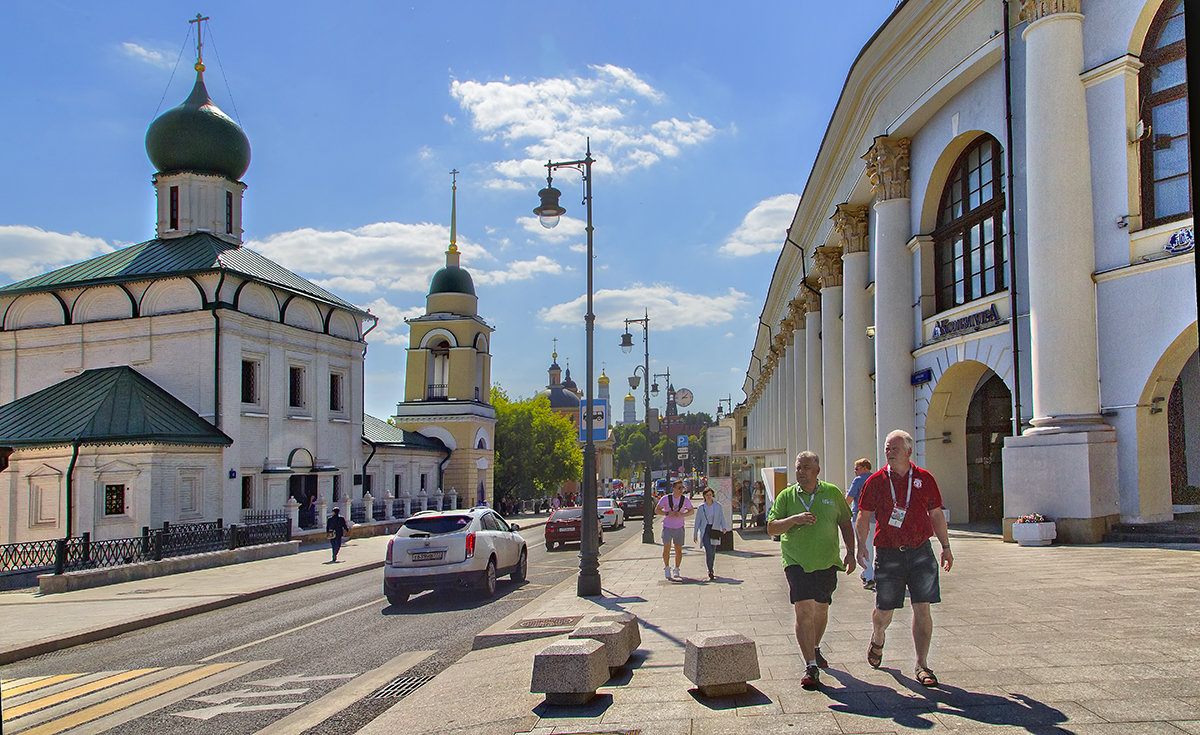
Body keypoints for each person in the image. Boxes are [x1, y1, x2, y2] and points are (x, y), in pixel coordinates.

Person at [855, 429, 953, 688]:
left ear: (909, 451)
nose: (889, 451)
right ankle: (877, 637)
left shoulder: (924, 478)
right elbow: (863, 516)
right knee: (884, 611)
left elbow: (936, 514)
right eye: (887, 447)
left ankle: (922, 664)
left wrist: (945, 546)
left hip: (920, 551)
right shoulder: (875, 481)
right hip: (888, 553)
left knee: (922, 607)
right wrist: (860, 547)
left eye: (895, 448)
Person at [767, 451, 856, 691]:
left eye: (806, 468)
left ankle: (815, 647)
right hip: (796, 561)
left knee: (821, 609)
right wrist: (793, 520)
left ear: (817, 470)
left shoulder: (832, 493)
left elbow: (846, 523)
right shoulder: (786, 496)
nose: (801, 472)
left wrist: (851, 552)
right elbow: (771, 528)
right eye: (798, 468)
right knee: (804, 609)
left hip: (827, 561)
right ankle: (810, 666)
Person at [655, 479, 694, 580]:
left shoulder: (685, 500)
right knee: (666, 548)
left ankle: (677, 568)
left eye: (682, 488)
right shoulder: (666, 498)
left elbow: (691, 511)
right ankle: (667, 567)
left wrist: (682, 515)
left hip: (679, 527)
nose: (681, 490)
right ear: (674, 489)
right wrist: (667, 513)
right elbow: (657, 510)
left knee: (678, 550)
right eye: (679, 488)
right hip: (667, 526)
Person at [845, 458, 875, 590]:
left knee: (864, 547)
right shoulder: (876, 478)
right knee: (873, 546)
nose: (855, 471)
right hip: (876, 518)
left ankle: (869, 577)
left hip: (860, 517)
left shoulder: (858, 480)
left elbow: (849, 499)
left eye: (856, 469)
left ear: (864, 468)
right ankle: (867, 573)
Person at [692, 487, 730, 580]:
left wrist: (724, 527)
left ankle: (711, 567)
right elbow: (697, 521)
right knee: (708, 550)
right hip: (705, 529)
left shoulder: (717, 506)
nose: (709, 497)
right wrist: (695, 533)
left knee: (713, 551)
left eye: (710, 495)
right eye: (707, 495)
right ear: (704, 496)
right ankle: (710, 570)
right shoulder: (701, 507)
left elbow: (721, 517)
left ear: (712, 495)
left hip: (715, 529)